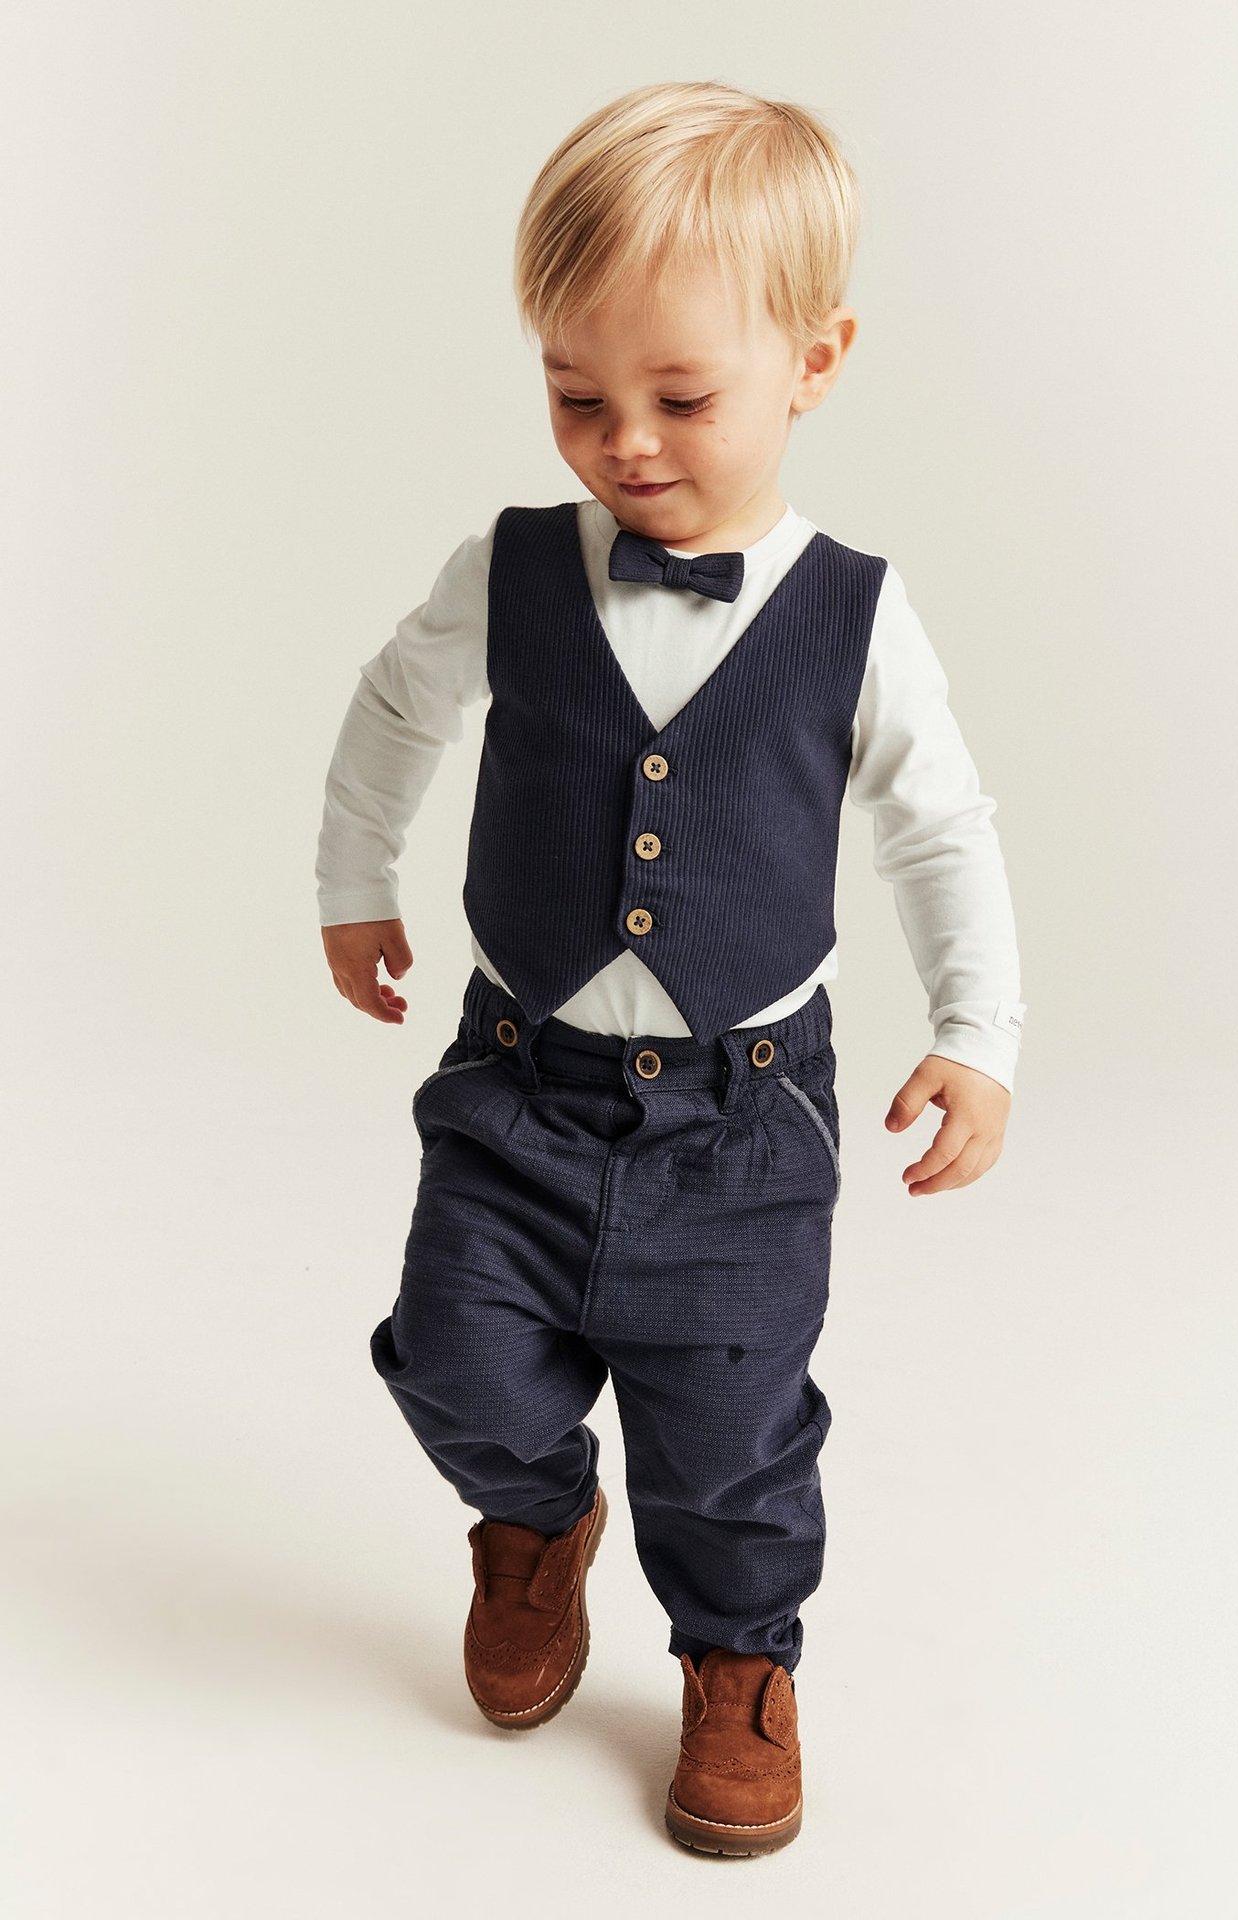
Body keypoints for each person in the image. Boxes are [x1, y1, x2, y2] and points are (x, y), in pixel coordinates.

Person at [315, 79, 1025, 1858]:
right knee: (458, 1361)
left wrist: (979, 1032)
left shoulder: (855, 612)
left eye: (682, 396)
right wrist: (355, 877)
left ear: (816, 358)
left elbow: (943, 828)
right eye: (577, 396)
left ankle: (737, 1655)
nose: (624, 441)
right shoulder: (515, 572)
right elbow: (399, 707)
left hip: (741, 1120)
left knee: (731, 1434)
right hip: (518, 1091)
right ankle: (540, 1519)